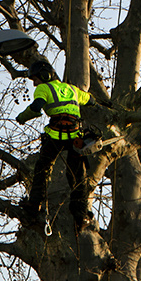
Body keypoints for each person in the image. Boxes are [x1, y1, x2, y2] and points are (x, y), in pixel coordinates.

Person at [15, 61, 93, 230]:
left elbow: (36, 107)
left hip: (56, 135)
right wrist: (105, 105)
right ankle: (81, 215)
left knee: (43, 169)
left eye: (35, 79)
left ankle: (34, 204)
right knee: (77, 175)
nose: (34, 83)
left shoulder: (43, 89)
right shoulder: (71, 88)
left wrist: (22, 117)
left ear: (44, 76)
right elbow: (89, 100)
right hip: (75, 135)